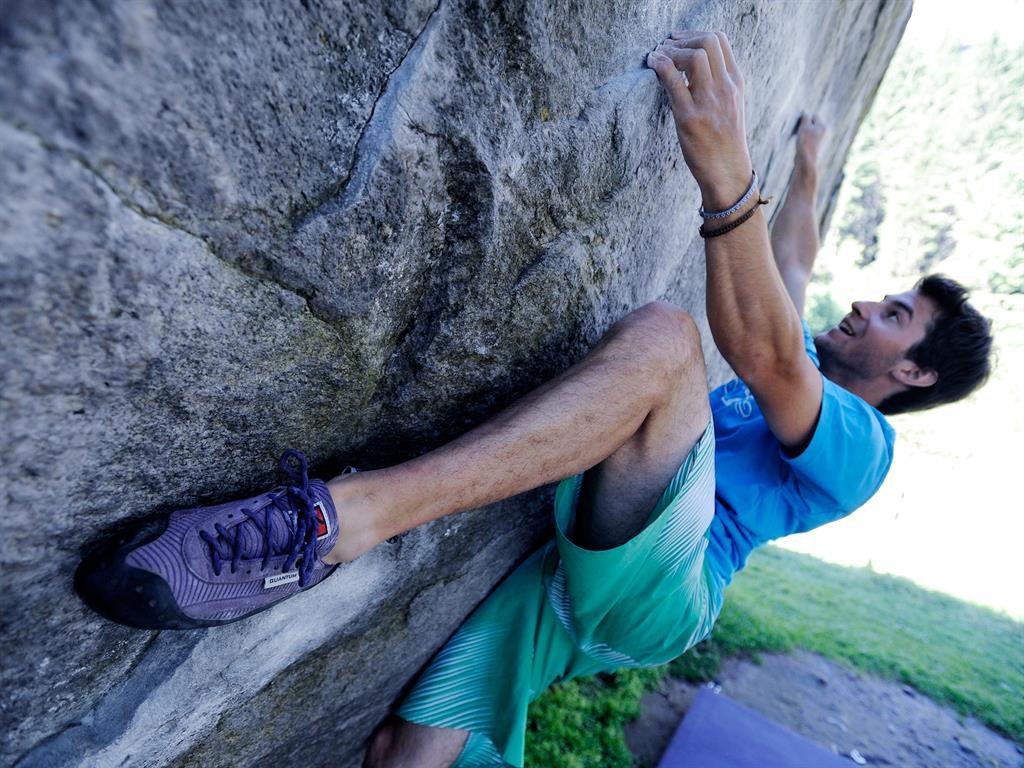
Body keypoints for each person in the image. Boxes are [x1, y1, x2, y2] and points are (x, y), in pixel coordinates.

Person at [75, 31, 994, 768]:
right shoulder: (814, 367)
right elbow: (792, 261)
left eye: (896, 316)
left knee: (666, 343)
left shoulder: (864, 445)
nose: (868, 305)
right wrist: (810, 162)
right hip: (588, 575)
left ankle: (343, 520)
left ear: (913, 375)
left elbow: (762, 348)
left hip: (666, 587)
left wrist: (726, 169)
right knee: (408, 751)